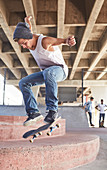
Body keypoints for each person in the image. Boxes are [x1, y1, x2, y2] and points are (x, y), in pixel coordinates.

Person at [13, 16, 76, 126]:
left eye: (24, 43)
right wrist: (27, 22)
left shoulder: (45, 41)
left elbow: (60, 41)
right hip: (47, 73)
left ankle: (52, 110)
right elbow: (29, 30)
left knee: (48, 72)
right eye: (21, 44)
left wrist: (68, 41)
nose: (24, 47)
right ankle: (33, 113)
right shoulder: (28, 36)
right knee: (23, 83)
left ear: (29, 37)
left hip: (60, 71)